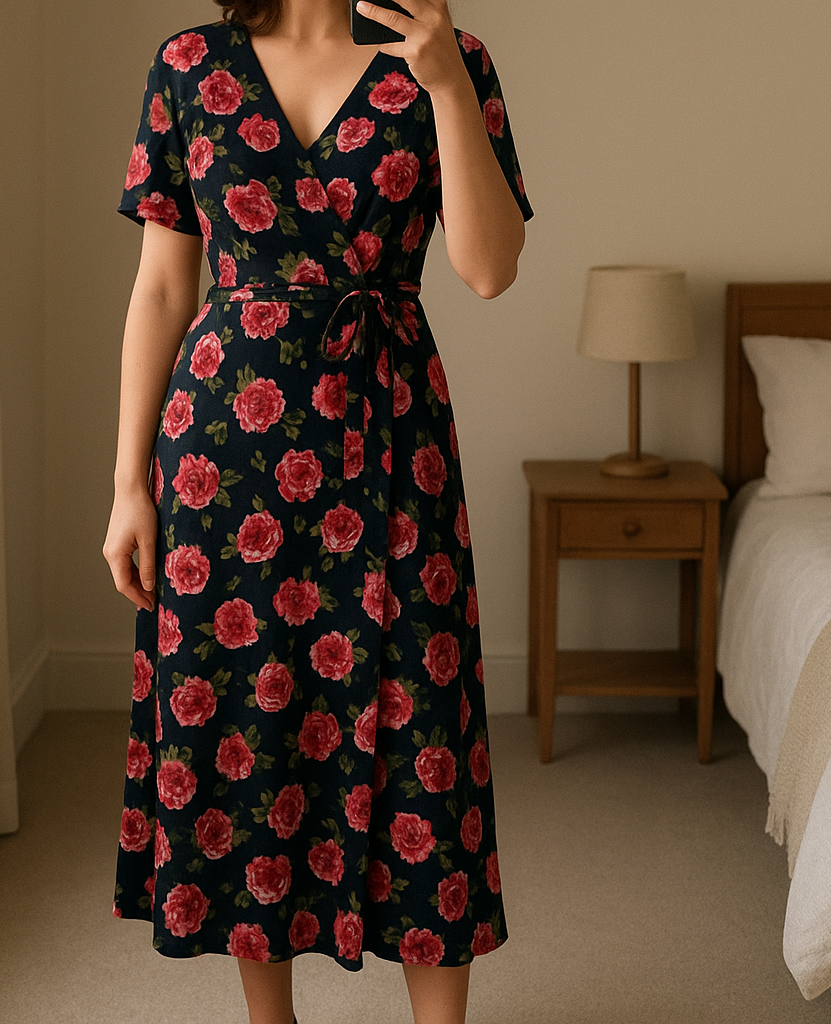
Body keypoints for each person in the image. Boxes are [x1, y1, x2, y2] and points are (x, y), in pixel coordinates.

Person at [103, 0, 532, 1021]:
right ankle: (271, 1017)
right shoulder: (189, 65)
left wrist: (444, 88)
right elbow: (164, 288)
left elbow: (488, 267)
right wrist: (128, 483)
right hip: (222, 463)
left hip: (392, 445)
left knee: (421, 721)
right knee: (254, 725)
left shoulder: (450, 60)